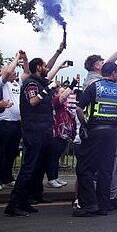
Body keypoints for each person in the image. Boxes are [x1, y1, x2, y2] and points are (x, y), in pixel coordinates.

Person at [4, 58, 58, 217]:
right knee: (28, 169)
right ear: (38, 67)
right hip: (33, 132)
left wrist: (59, 52)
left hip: (42, 132)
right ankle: (13, 205)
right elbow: (33, 101)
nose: (46, 68)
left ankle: (24, 201)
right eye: (43, 65)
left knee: (35, 169)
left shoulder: (40, 82)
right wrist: (49, 90)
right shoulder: (31, 84)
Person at [74, 62, 117, 217]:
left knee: (85, 168)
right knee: (106, 169)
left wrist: (84, 125)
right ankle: (103, 205)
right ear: (114, 73)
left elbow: (79, 108)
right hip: (112, 133)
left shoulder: (94, 87)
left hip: (95, 131)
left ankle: (89, 204)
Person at [0, 51, 29, 191]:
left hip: (16, 123)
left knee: (12, 152)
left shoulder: (17, 84)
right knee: (1, 152)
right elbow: (6, 73)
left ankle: (7, 177)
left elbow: (27, 73)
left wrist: (25, 59)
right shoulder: (2, 84)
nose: (13, 72)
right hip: (4, 122)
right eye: (11, 71)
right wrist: (16, 58)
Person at [46, 75, 79, 189]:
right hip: (57, 133)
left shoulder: (65, 105)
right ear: (56, 94)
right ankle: (51, 178)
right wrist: (73, 84)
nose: (65, 94)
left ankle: (55, 176)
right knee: (53, 156)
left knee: (57, 155)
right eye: (62, 92)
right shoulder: (56, 101)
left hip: (65, 134)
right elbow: (63, 97)